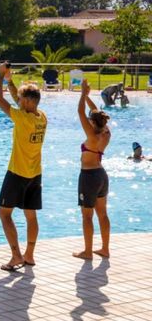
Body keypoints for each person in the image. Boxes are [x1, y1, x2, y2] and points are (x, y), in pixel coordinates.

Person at [0, 62, 47, 271]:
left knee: (4, 214)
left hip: (17, 173)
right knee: (31, 215)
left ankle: (16, 256)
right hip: (35, 174)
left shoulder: (22, 118)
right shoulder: (41, 117)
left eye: (21, 100)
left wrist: (0, 77)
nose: (19, 102)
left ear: (27, 102)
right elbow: (18, 98)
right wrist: (10, 81)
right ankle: (29, 255)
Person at [73, 79, 111, 260]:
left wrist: (82, 94)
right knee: (102, 214)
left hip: (88, 176)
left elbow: (80, 112)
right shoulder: (106, 132)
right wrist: (88, 96)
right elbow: (96, 112)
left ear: (93, 122)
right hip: (101, 175)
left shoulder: (91, 135)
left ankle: (87, 252)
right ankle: (105, 249)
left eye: (90, 119)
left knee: (87, 216)